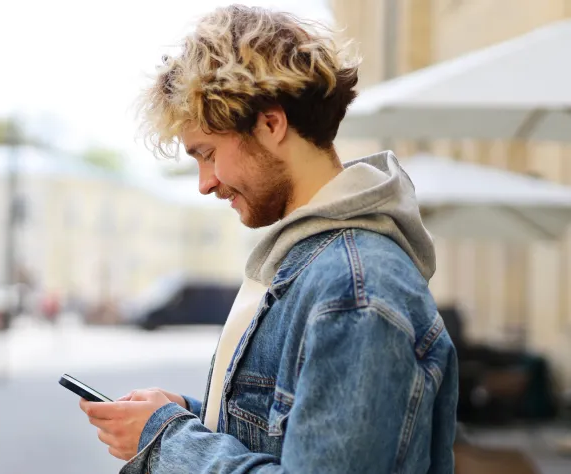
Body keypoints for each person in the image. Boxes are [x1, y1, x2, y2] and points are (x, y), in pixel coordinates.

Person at [79, 5, 458, 473]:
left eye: (208, 153)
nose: (204, 183)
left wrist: (166, 440)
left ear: (271, 125)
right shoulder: (315, 263)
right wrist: (185, 417)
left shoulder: (353, 289)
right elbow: (292, 441)